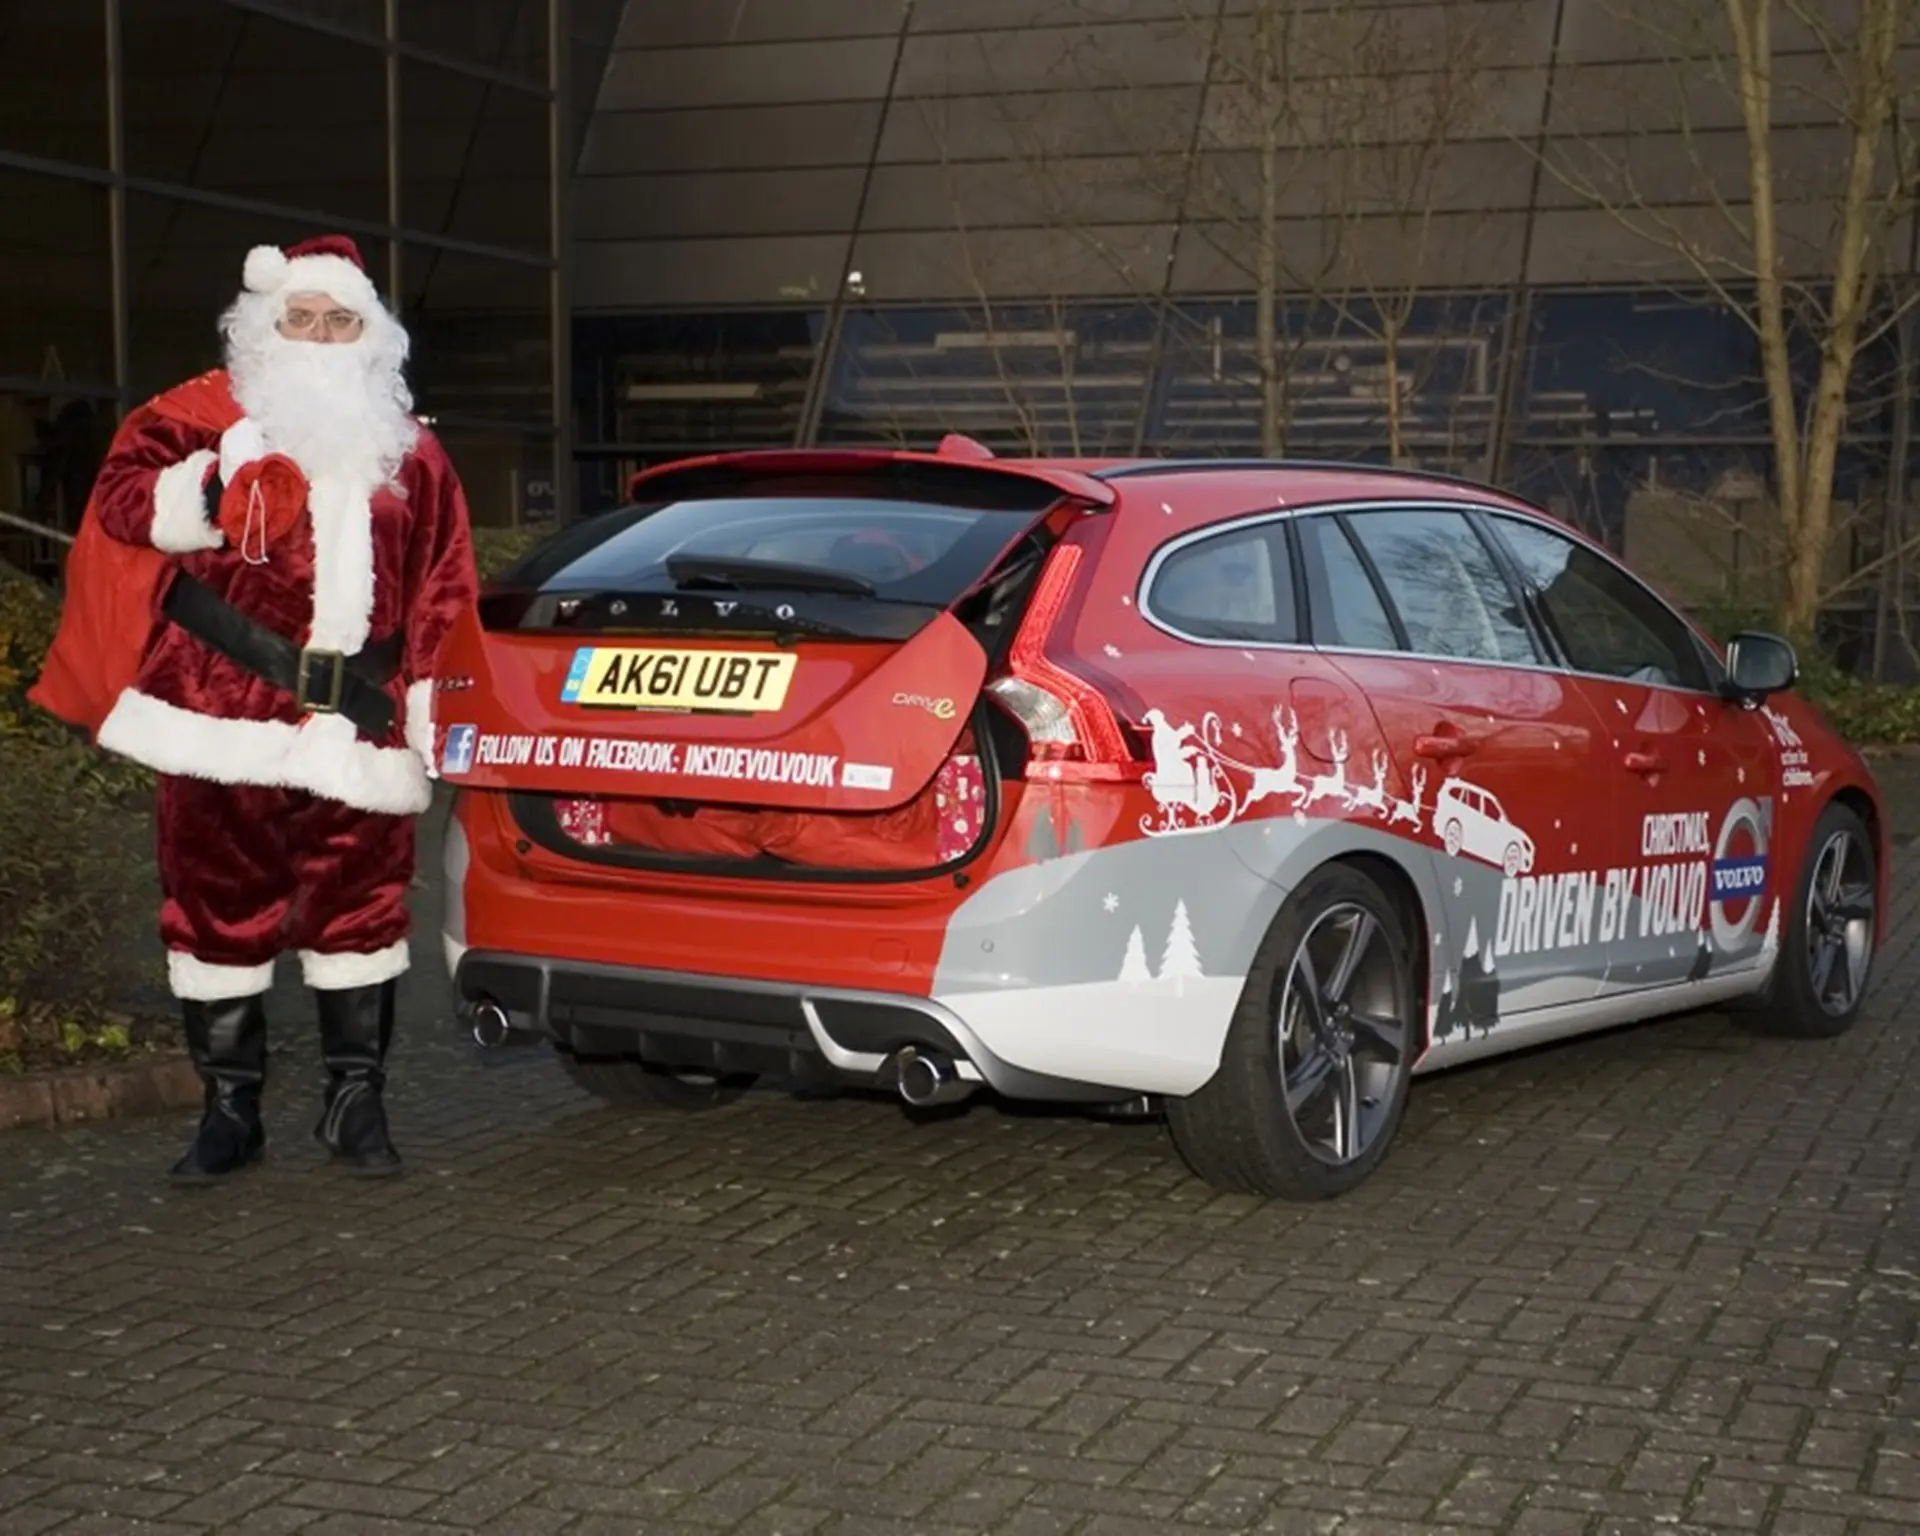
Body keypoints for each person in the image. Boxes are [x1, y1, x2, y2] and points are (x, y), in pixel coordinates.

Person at [36, 234, 478, 1183]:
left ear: (373, 337)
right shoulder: (200, 419)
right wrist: (212, 486)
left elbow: (447, 588)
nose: (320, 336)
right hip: (217, 718)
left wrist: (432, 708)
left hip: (356, 727)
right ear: (266, 327)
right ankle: (228, 1111)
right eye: (302, 318)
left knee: (361, 919)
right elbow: (118, 500)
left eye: (341, 321)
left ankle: (355, 1103)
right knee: (214, 918)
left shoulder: (414, 453)